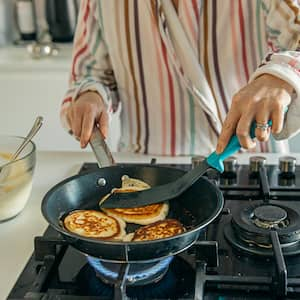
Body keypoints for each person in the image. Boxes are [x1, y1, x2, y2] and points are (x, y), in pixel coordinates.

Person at [61, 0, 300, 156]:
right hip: (146, 166)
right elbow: (91, 72)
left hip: (253, 160)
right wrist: (91, 95)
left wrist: (280, 77)